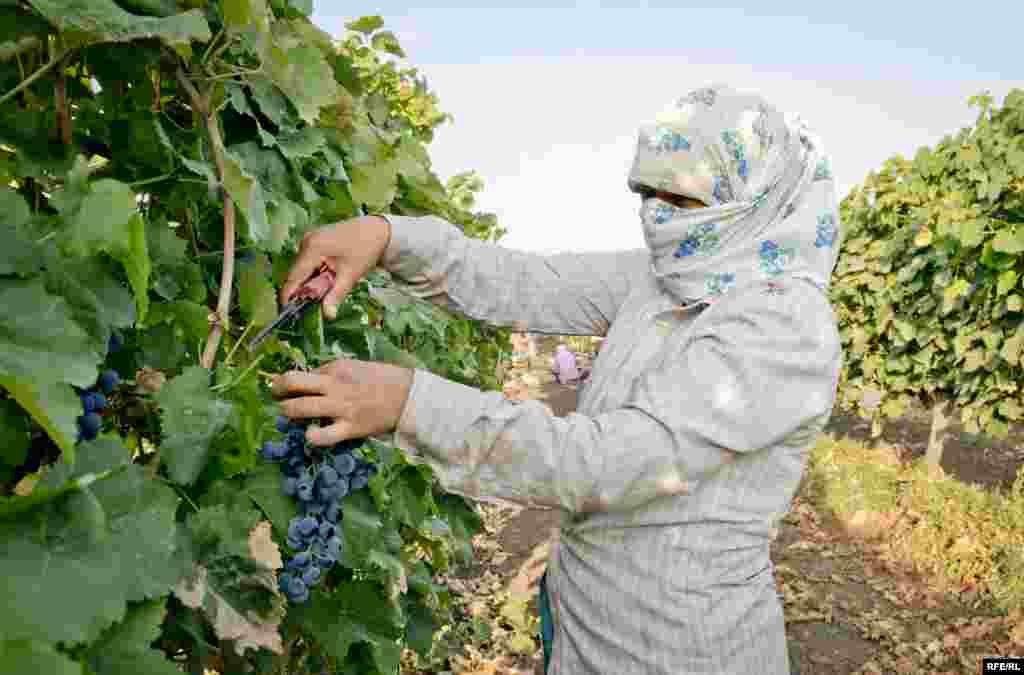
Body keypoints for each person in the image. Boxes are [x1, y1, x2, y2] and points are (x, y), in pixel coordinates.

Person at [271, 84, 843, 675]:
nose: (656, 214)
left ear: (753, 197)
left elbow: (609, 464)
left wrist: (410, 404)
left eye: (681, 197)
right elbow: (525, 280)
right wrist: (388, 237)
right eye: (647, 192)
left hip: (682, 651)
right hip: (586, 625)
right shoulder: (673, 273)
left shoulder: (785, 328)